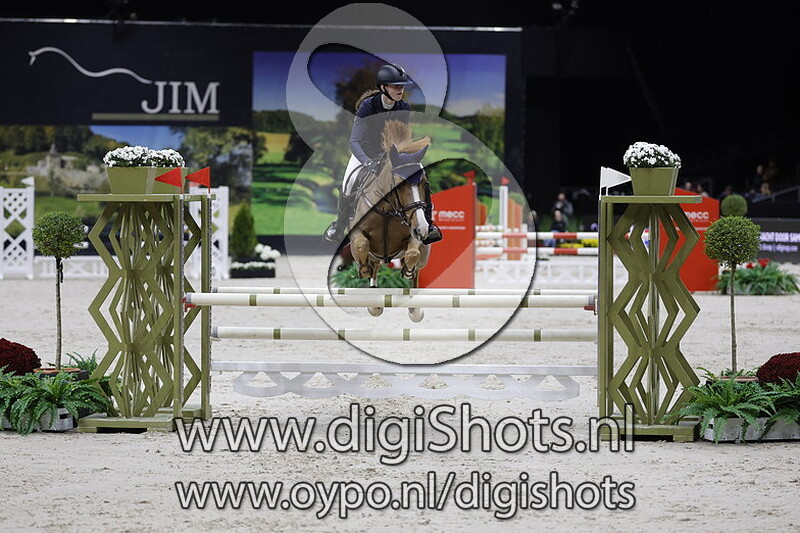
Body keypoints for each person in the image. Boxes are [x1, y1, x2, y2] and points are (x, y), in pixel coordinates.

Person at [324, 63, 442, 244]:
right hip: (364, 154)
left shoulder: (403, 107)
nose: (400, 90)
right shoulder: (368, 106)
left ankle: (428, 223)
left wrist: (403, 157)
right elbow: (354, 142)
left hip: (390, 155)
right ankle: (339, 225)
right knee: (349, 183)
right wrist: (367, 162)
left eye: (402, 86)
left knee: (419, 175)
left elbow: (400, 138)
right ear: (383, 87)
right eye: (396, 86)